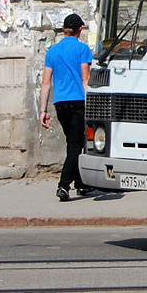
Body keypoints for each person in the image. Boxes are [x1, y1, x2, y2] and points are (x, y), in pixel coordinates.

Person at [39, 13, 94, 201]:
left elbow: (45, 83)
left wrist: (42, 110)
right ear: (80, 30)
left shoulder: (52, 52)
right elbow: (85, 78)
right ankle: (64, 185)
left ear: (64, 30)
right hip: (79, 102)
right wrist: (92, 104)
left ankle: (81, 183)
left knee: (72, 142)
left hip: (60, 104)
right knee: (76, 144)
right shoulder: (83, 49)